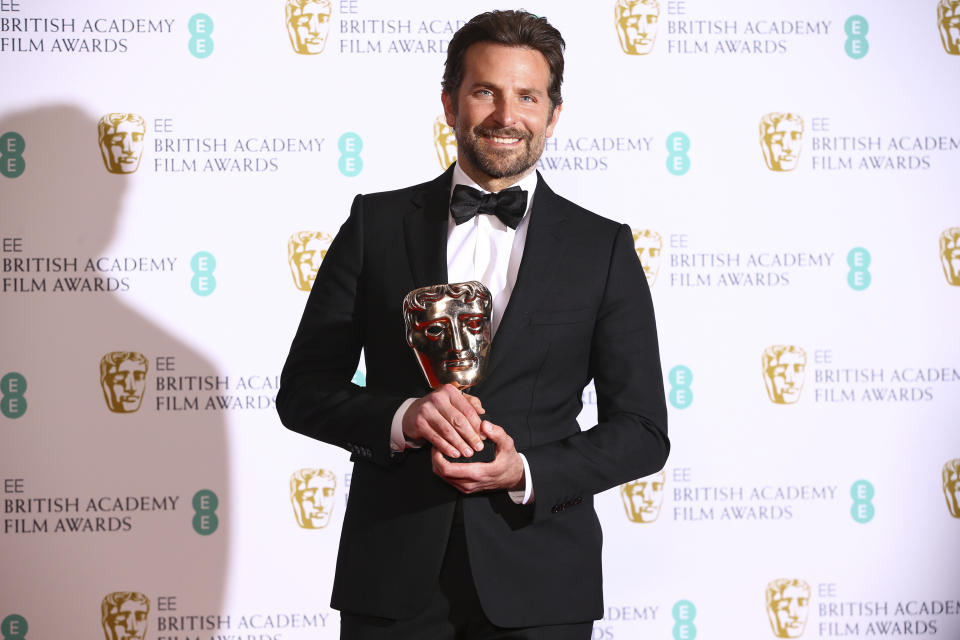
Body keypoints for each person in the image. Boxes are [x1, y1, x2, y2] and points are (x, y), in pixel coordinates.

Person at [277, 10, 668, 638]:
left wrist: (527, 473)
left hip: (540, 582)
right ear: (449, 102)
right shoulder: (376, 226)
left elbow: (644, 430)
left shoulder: (605, 248)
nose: (505, 115)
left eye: (527, 96)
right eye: (485, 91)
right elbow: (302, 392)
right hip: (392, 574)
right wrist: (403, 418)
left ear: (553, 112)